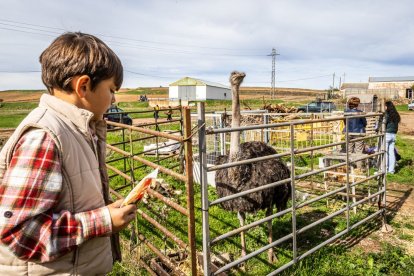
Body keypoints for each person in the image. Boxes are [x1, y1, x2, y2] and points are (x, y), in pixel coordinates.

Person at [0, 32, 137, 275]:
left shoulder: (75, 129)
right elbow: (19, 232)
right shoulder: (45, 137)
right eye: (112, 89)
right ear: (83, 86)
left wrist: (106, 212)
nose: (114, 99)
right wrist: (102, 221)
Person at [342, 97, 367, 168]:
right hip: (358, 132)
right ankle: (358, 168)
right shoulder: (360, 112)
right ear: (357, 104)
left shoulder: (346, 112)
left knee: (349, 150)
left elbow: (345, 122)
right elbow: (365, 123)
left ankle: (349, 167)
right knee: (358, 150)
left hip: (348, 132)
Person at [385, 101, 401, 174]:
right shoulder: (396, 114)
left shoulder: (387, 114)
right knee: (391, 153)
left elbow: (384, 124)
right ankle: (391, 170)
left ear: (387, 106)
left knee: (385, 152)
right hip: (393, 135)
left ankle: (385, 169)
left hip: (387, 134)